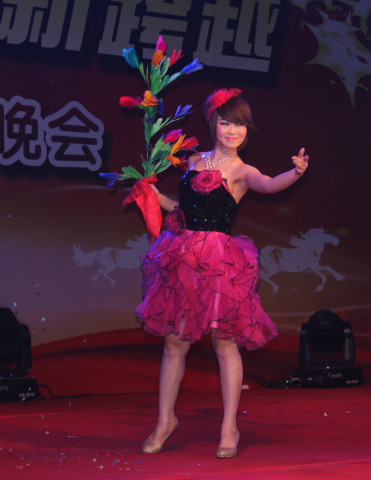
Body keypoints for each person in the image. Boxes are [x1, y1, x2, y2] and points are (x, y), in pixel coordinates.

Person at [136, 88, 309, 459]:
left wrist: (295, 172)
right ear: (212, 122)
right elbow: (181, 208)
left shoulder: (243, 171)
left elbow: (269, 184)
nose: (233, 131)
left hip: (219, 263)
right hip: (183, 260)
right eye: (226, 123)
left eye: (240, 125)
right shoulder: (192, 160)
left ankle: (229, 427)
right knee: (174, 343)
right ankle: (165, 421)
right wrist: (150, 195)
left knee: (224, 343)